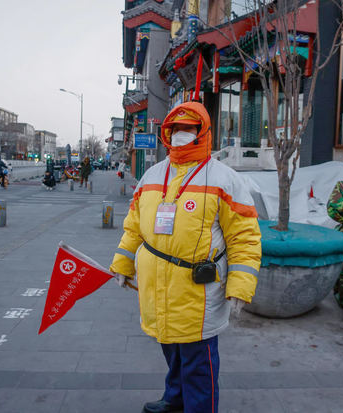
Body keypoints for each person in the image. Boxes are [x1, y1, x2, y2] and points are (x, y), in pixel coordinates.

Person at [110, 101, 261, 413]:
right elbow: (134, 226)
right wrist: (123, 263)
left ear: (202, 131)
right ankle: (175, 398)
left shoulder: (224, 179)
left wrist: (240, 286)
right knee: (171, 349)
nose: (181, 134)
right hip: (156, 287)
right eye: (176, 129)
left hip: (198, 292)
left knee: (198, 364)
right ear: (167, 132)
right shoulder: (152, 175)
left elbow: (244, 236)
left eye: (188, 128)